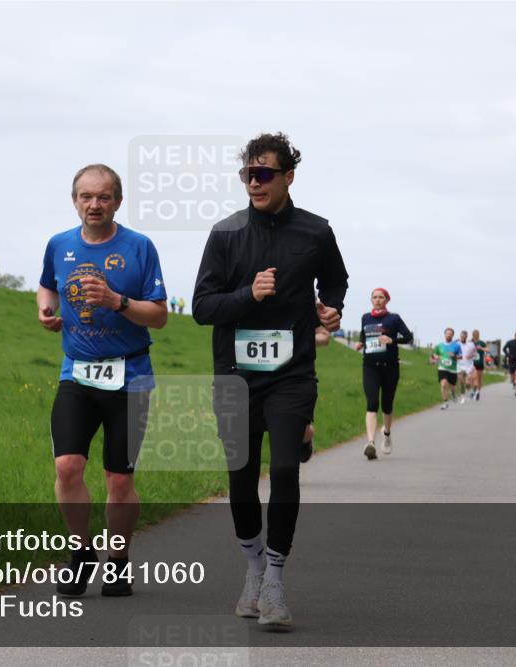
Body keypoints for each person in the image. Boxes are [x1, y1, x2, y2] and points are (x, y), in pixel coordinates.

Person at [193, 132, 348, 628]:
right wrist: (248, 295)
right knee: (241, 476)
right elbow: (202, 307)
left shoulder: (316, 232)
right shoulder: (225, 234)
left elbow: (337, 279)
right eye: (247, 175)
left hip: (291, 374)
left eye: (263, 174)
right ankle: (254, 569)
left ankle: (276, 581)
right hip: (236, 376)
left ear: (288, 177)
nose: (254, 184)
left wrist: (331, 307)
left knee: (283, 469)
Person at [37, 163, 168, 598]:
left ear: (118, 200)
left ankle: (118, 560)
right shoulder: (59, 245)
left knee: (119, 479)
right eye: (86, 197)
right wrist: (45, 310)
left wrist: (118, 301)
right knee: (67, 466)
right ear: (74, 200)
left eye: (104, 197)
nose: (94, 204)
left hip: (130, 375)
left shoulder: (139, 247)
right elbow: (46, 287)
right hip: (77, 372)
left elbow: (160, 315)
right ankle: (80, 553)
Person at [353, 288, 413, 459]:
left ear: (387, 300)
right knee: (372, 403)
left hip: (390, 367)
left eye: (381, 297)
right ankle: (371, 442)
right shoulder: (366, 317)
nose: (378, 300)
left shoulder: (393, 318)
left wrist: (392, 340)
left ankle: (386, 434)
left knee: (387, 405)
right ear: (371, 299)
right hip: (370, 366)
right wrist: (360, 343)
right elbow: (365, 336)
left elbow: (408, 337)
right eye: (375, 297)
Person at [300, 317, 332, 463]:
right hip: (256, 375)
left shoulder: (303, 297)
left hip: (296, 375)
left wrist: (301, 339)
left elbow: (324, 336)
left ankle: (306, 437)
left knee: (299, 429)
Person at [430, 328, 462, 410]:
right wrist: (435, 357)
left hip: (453, 369)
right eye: (447, 333)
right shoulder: (439, 346)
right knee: (443, 384)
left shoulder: (456, 346)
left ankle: (453, 394)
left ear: (452, 335)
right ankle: (445, 402)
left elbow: (461, 356)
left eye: (450, 334)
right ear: (445, 334)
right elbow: (434, 355)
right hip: (442, 368)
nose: (449, 335)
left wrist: (454, 356)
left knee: (453, 387)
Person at [456, 330, 477, 403]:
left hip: (469, 365)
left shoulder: (471, 344)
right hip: (459, 365)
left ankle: (468, 389)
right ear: (460, 336)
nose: (462, 338)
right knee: (461, 382)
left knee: (468, 382)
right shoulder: (457, 344)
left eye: (464, 337)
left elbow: (475, 354)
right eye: (461, 336)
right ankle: (462, 396)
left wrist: (471, 355)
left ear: (466, 337)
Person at [471, 329, 489, 401]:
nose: (476, 335)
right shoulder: (470, 342)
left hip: (480, 363)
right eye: (474, 334)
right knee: (473, 378)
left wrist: (481, 348)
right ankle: (473, 391)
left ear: (479, 335)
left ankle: (478, 392)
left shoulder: (482, 343)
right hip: (472, 363)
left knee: (479, 378)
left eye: (477, 334)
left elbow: (488, 350)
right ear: (472, 335)